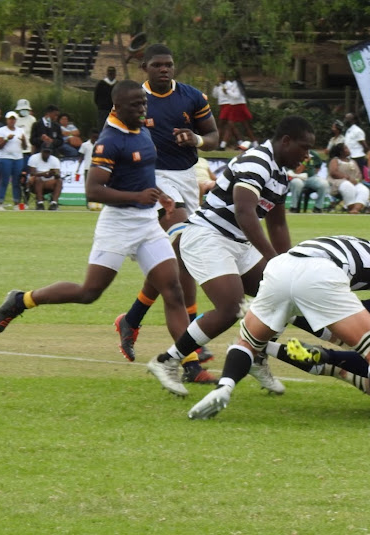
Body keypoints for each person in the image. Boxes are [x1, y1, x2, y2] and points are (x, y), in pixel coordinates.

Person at [0, 80, 192, 397]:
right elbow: (94, 190)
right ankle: (22, 300)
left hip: (146, 222)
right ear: (117, 107)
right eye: (135, 105)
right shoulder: (109, 141)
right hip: (117, 224)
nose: (142, 109)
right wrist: (137, 195)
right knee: (89, 292)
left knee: (173, 289)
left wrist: (161, 197)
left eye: (144, 103)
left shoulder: (141, 130)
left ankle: (184, 362)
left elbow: (145, 176)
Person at [186, 235, 370, 428]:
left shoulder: (360, 248)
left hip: (280, 266)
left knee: (247, 342)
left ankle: (223, 388)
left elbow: (335, 321)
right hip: (320, 272)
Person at [148, 115, 316, 398]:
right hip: (207, 236)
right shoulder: (257, 160)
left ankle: (257, 357)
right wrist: (273, 258)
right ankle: (167, 361)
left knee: (283, 293)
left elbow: (277, 224)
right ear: (286, 141)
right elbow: (244, 211)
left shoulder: (281, 175)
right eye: (304, 147)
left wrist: (286, 263)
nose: (307, 155)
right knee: (229, 307)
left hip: (237, 241)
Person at [112, 44, 220, 385]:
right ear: (144, 67)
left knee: (176, 260)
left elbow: (215, 137)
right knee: (182, 248)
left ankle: (132, 318)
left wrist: (196, 140)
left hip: (186, 179)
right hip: (152, 180)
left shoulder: (192, 97)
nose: (164, 70)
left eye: (169, 65)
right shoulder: (131, 100)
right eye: (157, 65)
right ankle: (189, 351)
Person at [0, 111, 28, 210]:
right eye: (10, 119)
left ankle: (16, 202)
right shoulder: (1, 130)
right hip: (5, 158)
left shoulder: (20, 130)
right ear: (7, 120)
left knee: (16, 181)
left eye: (13, 119)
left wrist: (23, 140)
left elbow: (25, 147)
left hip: (18, 158)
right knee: (4, 180)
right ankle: (0, 202)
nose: (12, 121)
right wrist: (7, 139)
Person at [327, 143, 370, 214]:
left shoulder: (352, 161)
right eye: (346, 148)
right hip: (338, 182)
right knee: (348, 186)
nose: (348, 150)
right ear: (341, 152)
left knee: (364, 190)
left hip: (354, 183)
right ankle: (351, 208)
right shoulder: (335, 160)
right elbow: (333, 172)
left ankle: (355, 209)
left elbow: (359, 174)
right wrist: (347, 178)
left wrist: (356, 180)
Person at [287, 149, 329, 213]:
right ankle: (294, 207)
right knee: (296, 183)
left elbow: (318, 166)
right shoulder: (295, 154)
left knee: (324, 184)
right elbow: (297, 171)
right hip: (298, 177)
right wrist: (305, 161)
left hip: (311, 177)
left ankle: (318, 208)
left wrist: (312, 173)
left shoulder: (313, 154)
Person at [27, 143, 61, 210]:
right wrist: (43, 174)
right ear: (41, 151)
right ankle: (40, 203)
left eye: (48, 152)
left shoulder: (55, 160)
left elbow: (58, 174)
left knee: (59, 181)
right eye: (45, 152)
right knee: (38, 179)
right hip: (34, 183)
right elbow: (32, 173)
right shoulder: (34, 158)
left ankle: (54, 203)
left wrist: (54, 173)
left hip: (48, 182)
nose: (46, 154)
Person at [15, 99, 37, 171]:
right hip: (17, 150)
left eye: (26, 109)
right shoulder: (15, 119)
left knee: (27, 171)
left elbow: (34, 134)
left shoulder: (32, 119)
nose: (25, 110)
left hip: (28, 150)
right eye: (23, 109)